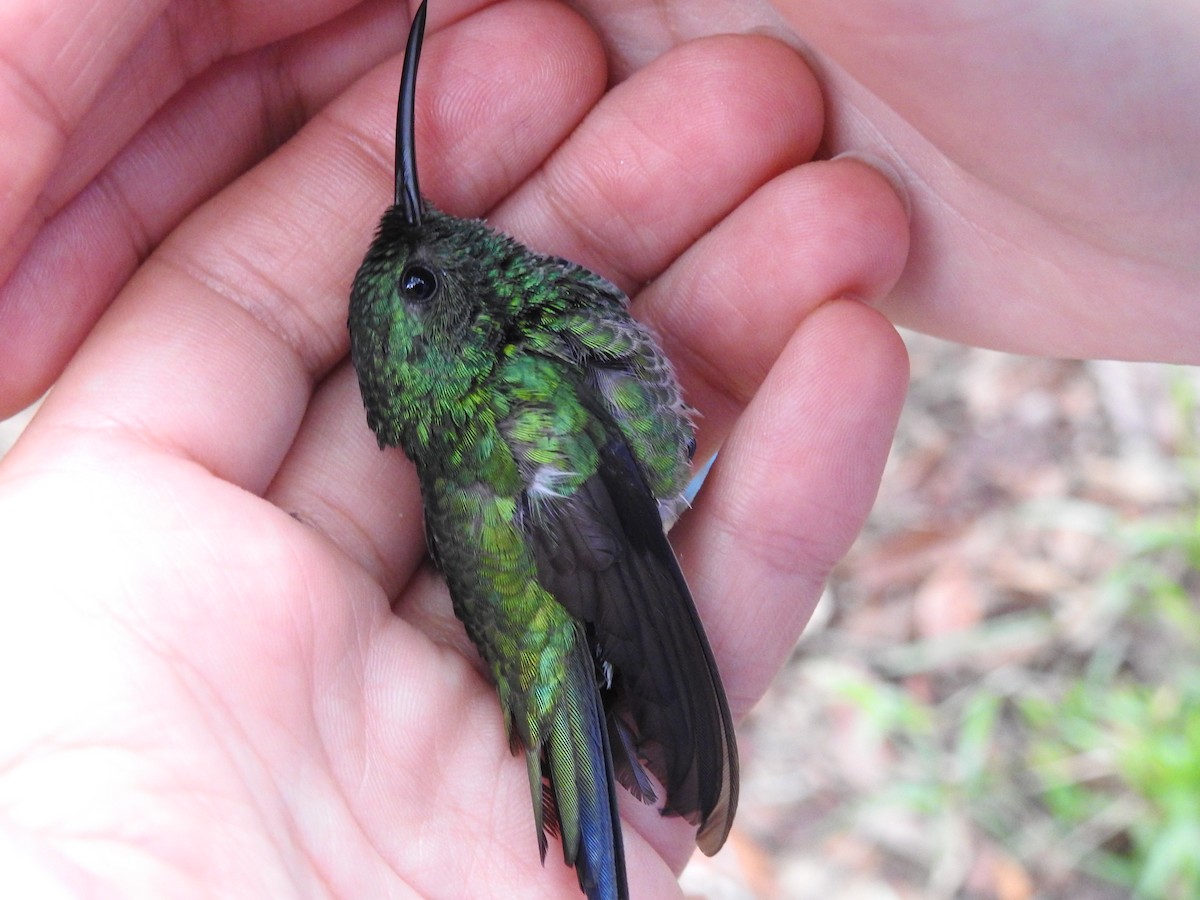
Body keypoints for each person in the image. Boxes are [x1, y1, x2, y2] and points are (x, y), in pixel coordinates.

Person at [0, 1, 1193, 896]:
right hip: (554, 614)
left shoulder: (500, 395)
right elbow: (603, 562)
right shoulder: (523, 401)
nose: (426, 224)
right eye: (420, 275)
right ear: (449, 323)